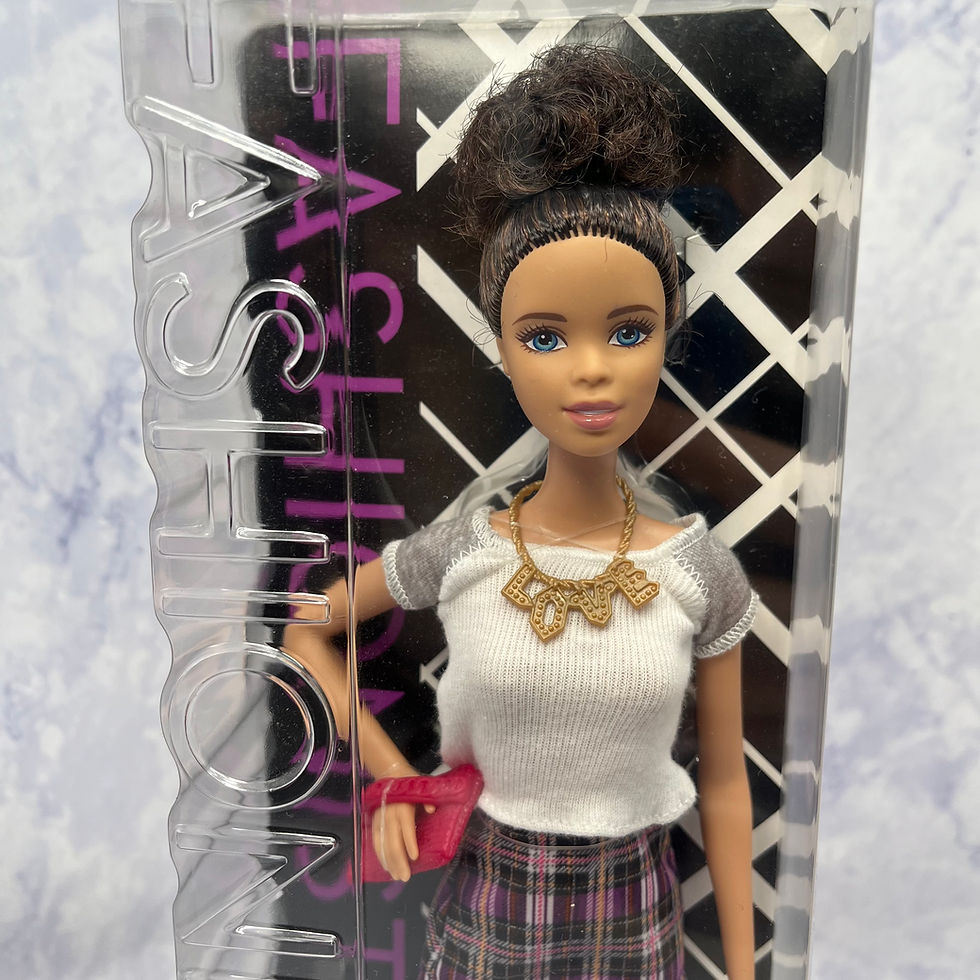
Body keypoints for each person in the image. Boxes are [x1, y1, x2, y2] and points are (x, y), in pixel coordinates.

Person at [284, 44, 756, 980]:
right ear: (500, 347)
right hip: (490, 897)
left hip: (636, 905)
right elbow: (306, 629)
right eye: (545, 337)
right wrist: (396, 781)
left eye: (629, 331)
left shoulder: (698, 573)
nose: (592, 370)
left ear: (668, 335)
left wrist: (743, 970)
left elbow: (729, 785)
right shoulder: (464, 550)